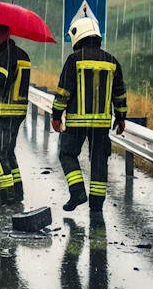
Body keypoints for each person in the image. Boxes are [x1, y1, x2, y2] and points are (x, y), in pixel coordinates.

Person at [51, 16, 128, 212]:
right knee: (99, 161)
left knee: (67, 154)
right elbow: (119, 93)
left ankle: (77, 192)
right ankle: (96, 204)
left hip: (77, 121)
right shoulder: (112, 61)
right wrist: (120, 117)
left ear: (79, 36)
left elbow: (64, 92)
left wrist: (56, 115)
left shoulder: (73, 60)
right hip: (101, 124)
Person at [0, 22, 31, 205]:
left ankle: (5, 194)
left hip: (6, 112)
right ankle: (17, 192)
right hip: (15, 112)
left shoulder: (7, 54)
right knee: (7, 153)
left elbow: (0, 80)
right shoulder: (18, 54)